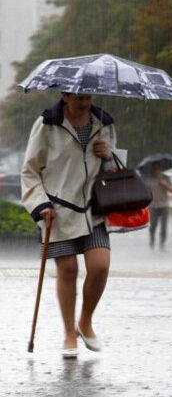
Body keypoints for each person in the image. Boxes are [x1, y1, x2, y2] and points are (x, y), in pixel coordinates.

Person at [21, 93, 117, 359]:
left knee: (100, 265)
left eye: (87, 96)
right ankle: (68, 333)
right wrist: (40, 205)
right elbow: (30, 170)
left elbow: (116, 168)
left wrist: (110, 155)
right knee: (68, 270)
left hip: (94, 209)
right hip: (57, 211)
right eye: (77, 97)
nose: (83, 102)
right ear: (65, 95)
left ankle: (85, 322)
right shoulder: (48, 123)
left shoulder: (104, 122)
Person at [144, 162, 172, 250]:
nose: (156, 170)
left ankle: (162, 244)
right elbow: (144, 192)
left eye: (158, 168)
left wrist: (165, 184)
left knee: (164, 227)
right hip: (153, 206)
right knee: (153, 225)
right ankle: (152, 241)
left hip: (164, 205)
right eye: (154, 168)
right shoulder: (148, 179)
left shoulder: (165, 178)